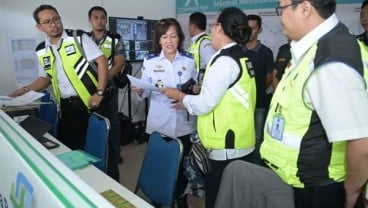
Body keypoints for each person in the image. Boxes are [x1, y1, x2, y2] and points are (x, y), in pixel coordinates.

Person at [260, 0, 368, 208]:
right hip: (300, 180)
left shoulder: (331, 59)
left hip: (318, 188)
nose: (279, 16)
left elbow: (362, 144)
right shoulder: (316, 48)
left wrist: (351, 192)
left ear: (304, 8)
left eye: (281, 8)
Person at [161, 7, 256, 208]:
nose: (211, 30)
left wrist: (180, 95)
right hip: (240, 140)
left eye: (214, 25)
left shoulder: (224, 61)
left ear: (220, 28)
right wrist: (188, 100)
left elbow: (204, 104)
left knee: (219, 200)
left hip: (227, 147)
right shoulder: (241, 56)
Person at [9, 5, 119, 179]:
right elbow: (45, 78)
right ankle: (83, 186)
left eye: (56, 19)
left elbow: (102, 61)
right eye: (47, 22)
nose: (54, 24)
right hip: (67, 108)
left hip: (93, 103)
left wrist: (99, 92)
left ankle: (112, 187)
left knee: (103, 150)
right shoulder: (41, 50)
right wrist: (25, 90)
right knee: (72, 151)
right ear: (40, 27)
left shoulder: (78, 38)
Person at [131, 18, 196, 208]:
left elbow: (194, 88)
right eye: (164, 36)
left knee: (183, 172)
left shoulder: (189, 60)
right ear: (158, 40)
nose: (169, 41)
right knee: (159, 170)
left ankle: (182, 201)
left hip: (184, 125)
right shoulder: (150, 61)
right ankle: (157, 202)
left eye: (173, 36)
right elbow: (143, 92)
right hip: (159, 125)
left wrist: (190, 93)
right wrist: (140, 90)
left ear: (180, 38)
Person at [88, 6, 124, 179]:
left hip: (108, 88)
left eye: (102, 17)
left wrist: (102, 80)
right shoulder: (84, 39)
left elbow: (119, 63)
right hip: (88, 89)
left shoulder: (115, 39)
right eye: (96, 18)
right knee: (93, 121)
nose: (99, 20)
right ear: (90, 20)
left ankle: (115, 155)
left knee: (113, 122)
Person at [242, 14, 274, 164]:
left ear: (259, 30)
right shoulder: (237, 51)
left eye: (253, 29)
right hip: (240, 105)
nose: (249, 32)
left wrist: (257, 90)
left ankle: (255, 171)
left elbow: (269, 77)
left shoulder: (266, 52)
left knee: (258, 138)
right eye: (246, 28)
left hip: (259, 104)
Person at [188, 12, 216, 89]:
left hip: (202, 88)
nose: (188, 28)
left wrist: (201, 86)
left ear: (193, 26)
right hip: (195, 86)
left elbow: (213, 66)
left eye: (189, 25)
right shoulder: (196, 42)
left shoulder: (205, 43)